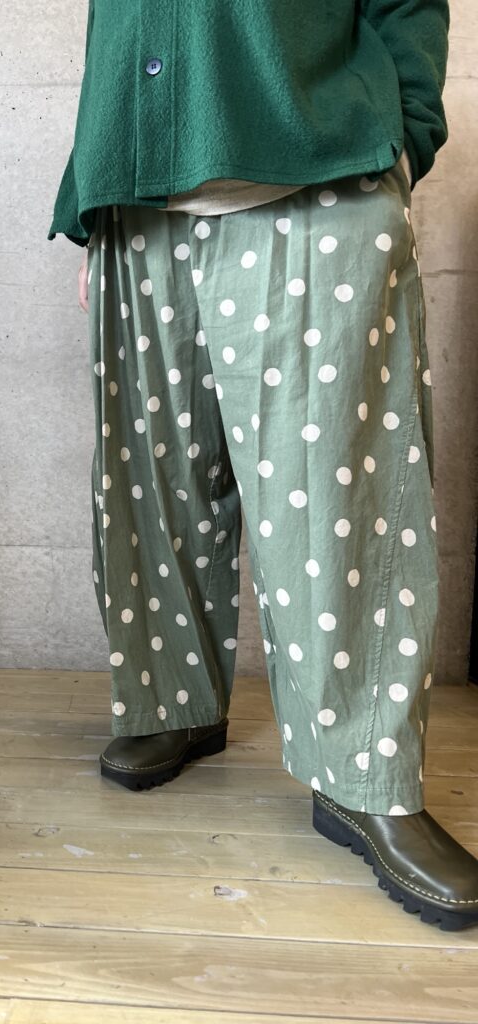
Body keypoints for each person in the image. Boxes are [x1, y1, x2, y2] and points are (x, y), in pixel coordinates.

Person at [48, 1, 478, 930]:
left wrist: (403, 142)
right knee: (152, 486)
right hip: (136, 206)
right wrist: (91, 194)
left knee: (340, 499)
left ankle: (365, 778)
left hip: (317, 179)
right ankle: (174, 702)